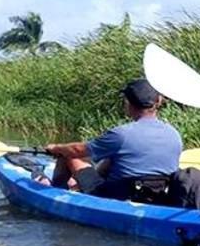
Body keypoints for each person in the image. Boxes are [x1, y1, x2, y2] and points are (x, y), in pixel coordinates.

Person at [42, 79, 182, 199]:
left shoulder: (120, 134)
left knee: (68, 155)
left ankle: (56, 193)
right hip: (156, 194)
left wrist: (55, 148)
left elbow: (77, 150)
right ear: (157, 101)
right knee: (113, 158)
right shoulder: (174, 133)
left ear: (128, 103)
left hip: (118, 195)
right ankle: (77, 186)